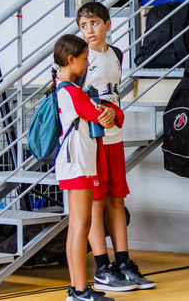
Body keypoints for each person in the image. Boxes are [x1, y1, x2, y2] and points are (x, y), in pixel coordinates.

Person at [75, 3, 156, 292]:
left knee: (117, 200)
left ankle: (123, 264)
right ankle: (101, 268)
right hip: (91, 139)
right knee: (96, 203)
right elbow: (69, 97)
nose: (89, 30)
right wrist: (97, 113)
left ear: (108, 24)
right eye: (83, 25)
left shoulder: (117, 53)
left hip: (115, 137)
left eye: (94, 23)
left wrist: (111, 112)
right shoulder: (78, 59)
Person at [52, 34, 121, 301]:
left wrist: (107, 112)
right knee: (82, 224)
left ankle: (77, 287)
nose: (86, 64)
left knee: (77, 226)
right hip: (78, 163)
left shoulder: (65, 89)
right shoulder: (72, 91)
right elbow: (103, 117)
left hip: (76, 163)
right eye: (83, 60)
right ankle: (80, 289)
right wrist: (109, 111)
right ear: (71, 60)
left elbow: (103, 114)